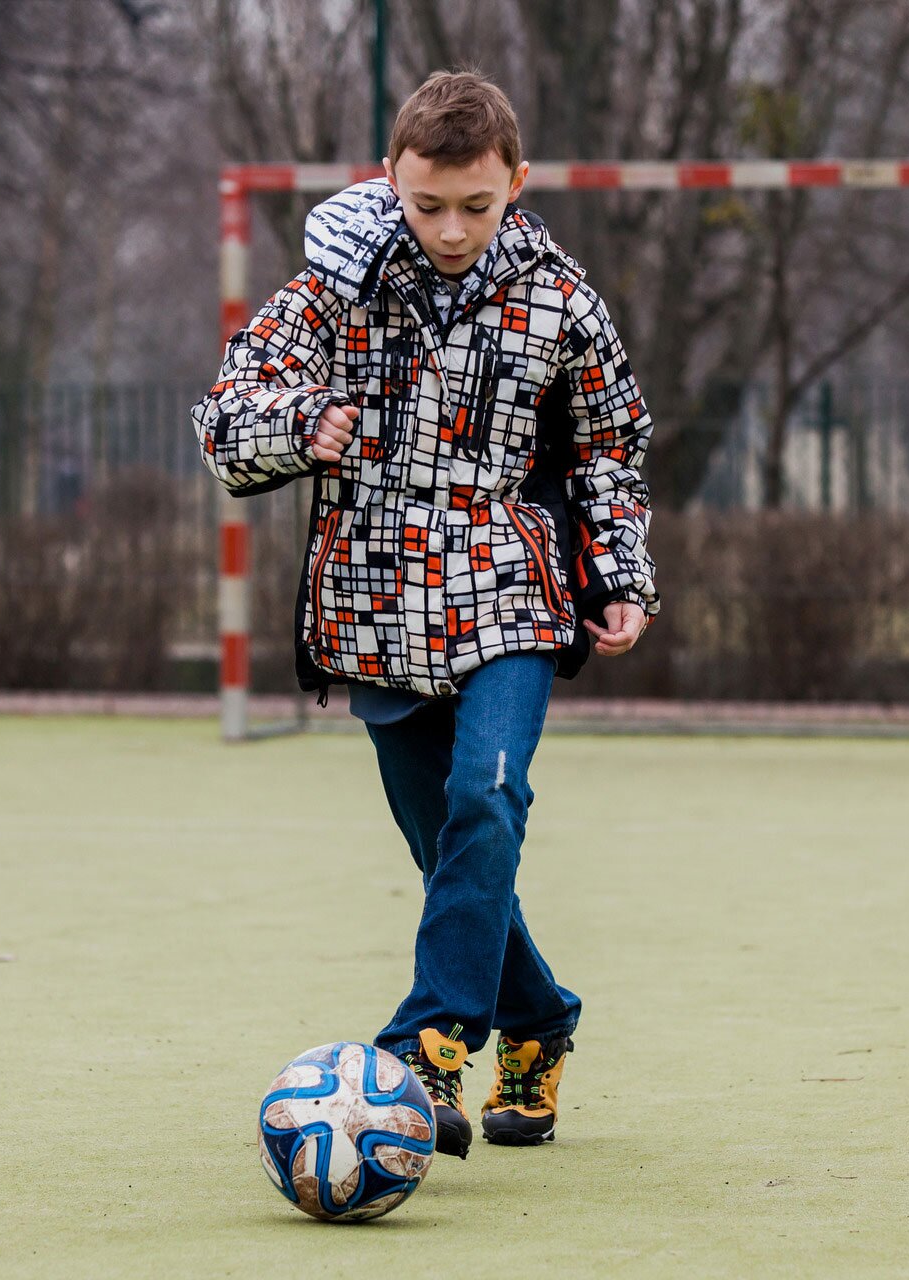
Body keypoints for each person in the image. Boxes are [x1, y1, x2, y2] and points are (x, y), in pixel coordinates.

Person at [191, 70, 658, 1157]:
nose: (451, 229)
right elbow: (227, 414)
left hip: (513, 594)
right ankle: (537, 1021)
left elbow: (609, 447)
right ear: (391, 180)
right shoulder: (332, 286)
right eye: (427, 204)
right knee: (447, 844)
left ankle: (429, 1043)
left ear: (517, 184)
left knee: (487, 795)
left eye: (478, 206)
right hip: (377, 605)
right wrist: (303, 423)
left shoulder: (561, 298)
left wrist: (620, 574)